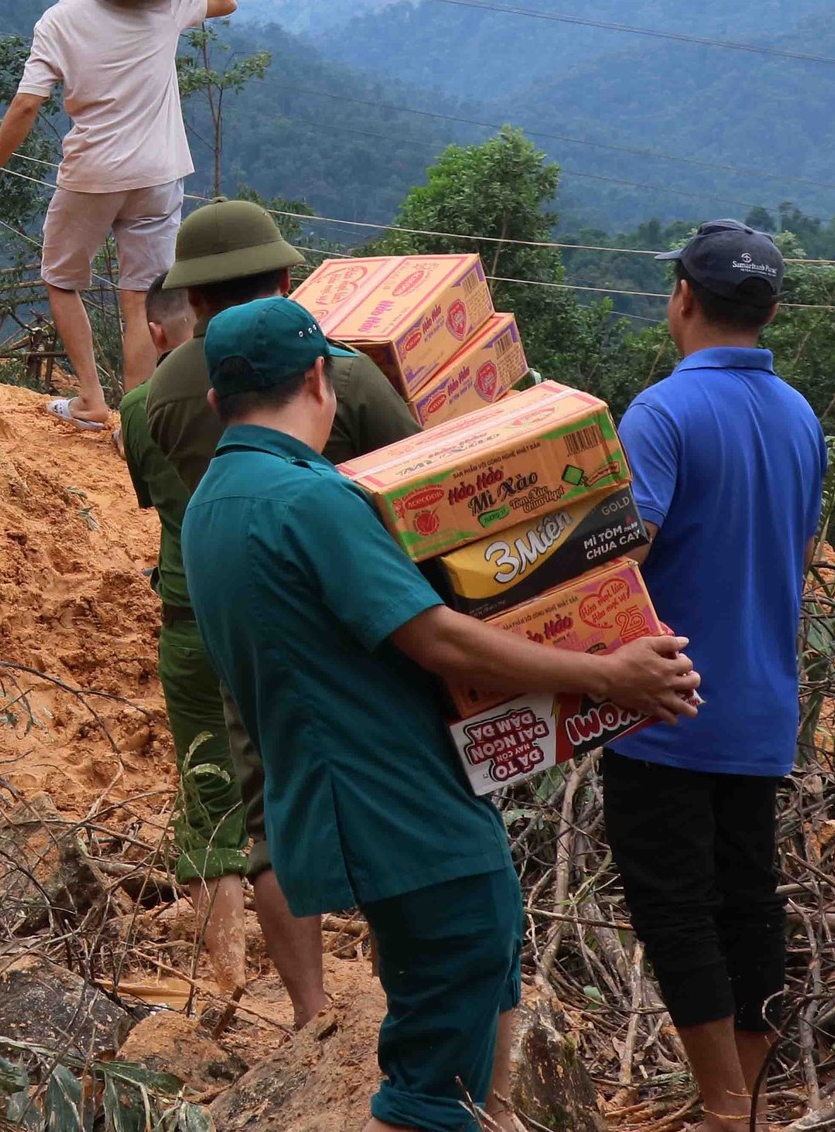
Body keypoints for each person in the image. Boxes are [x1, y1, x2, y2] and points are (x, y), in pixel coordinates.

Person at [184, 296, 701, 1132]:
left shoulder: (214, 500)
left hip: (359, 805)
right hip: (406, 814)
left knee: (482, 998)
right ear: (320, 378)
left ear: (217, 401)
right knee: (428, 1086)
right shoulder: (306, 501)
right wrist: (608, 674)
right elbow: (441, 641)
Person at [145, 198, 421, 1026]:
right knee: (391, 793)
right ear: (289, 282)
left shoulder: (163, 390)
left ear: (191, 302)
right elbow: (415, 480)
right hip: (366, 616)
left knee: (268, 809)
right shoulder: (345, 374)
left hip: (243, 621)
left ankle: (310, 1010)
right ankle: (403, 980)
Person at [600, 220, 824, 1132]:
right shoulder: (801, 415)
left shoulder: (660, 413)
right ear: (769, 310)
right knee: (748, 895)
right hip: (764, 705)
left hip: (667, 708)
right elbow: (799, 550)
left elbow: (625, 551)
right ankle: (744, 1092)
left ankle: (727, 1110)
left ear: (682, 298)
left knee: (674, 905)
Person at [0, 0, 234, 431]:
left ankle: (91, 400)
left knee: (62, 280)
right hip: (159, 174)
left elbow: (25, 106)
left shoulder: (59, 21)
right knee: (144, 300)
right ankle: (145, 420)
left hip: (92, 173)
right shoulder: (159, 5)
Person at [120, 278, 252, 995]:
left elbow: (161, 502)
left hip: (188, 617)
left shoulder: (141, 411)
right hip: (273, 616)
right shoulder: (289, 393)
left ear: (165, 331)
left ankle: (229, 980)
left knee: (209, 799)